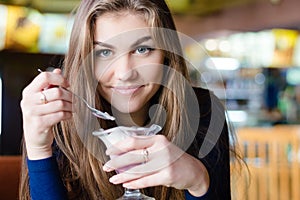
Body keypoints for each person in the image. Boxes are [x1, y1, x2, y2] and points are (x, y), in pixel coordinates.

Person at [19, 0, 237, 199]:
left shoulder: (202, 112)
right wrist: (38, 150)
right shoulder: (58, 120)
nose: (125, 73)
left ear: (166, 54)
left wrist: (199, 181)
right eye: (104, 53)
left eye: (142, 49)